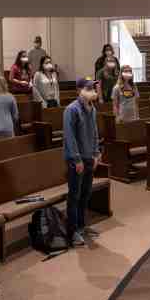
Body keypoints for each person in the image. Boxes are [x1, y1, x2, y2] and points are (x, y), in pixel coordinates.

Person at [63, 77, 102, 247]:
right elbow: (69, 137)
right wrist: (76, 159)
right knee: (75, 195)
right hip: (76, 160)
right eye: (88, 88)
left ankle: (81, 225)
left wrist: (96, 153)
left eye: (93, 88)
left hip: (89, 158)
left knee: (85, 194)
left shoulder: (91, 108)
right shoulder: (71, 110)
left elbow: (94, 132)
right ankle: (72, 232)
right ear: (79, 90)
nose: (92, 91)